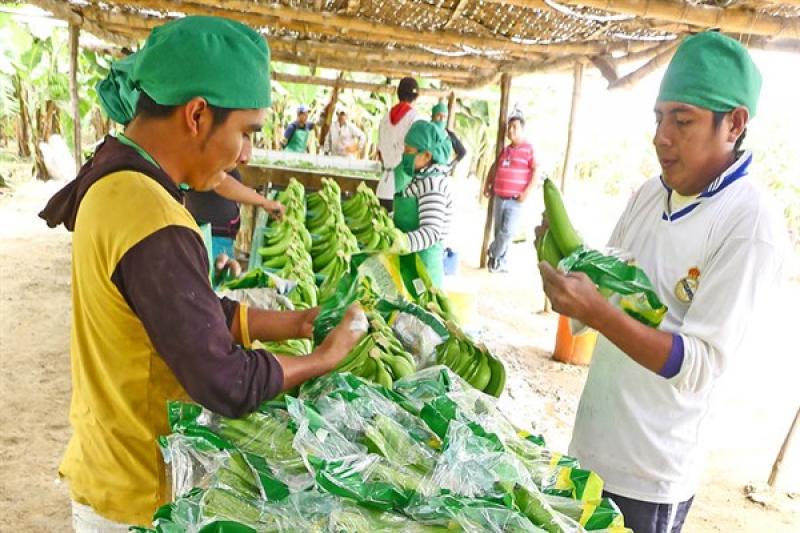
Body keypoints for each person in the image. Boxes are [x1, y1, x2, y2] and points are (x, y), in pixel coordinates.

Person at [39, 17, 365, 530]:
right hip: (139, 493)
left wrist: (295, 322)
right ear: (196, 114)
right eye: (246, 132)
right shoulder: (153, 218)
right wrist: (322, 359)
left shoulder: (115, 179)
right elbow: (224, 380)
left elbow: (190, 315)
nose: (247, 154)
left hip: (108, 459)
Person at [536, 32, 787, 533]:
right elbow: (605, 293)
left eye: (682, 120)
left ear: (734, 123)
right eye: (659, 118)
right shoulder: (651, 195)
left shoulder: (748, 223)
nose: (661, 137)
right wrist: (565, 278)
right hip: (589, 449)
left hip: (649, 479)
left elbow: (700, 364)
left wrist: (597, 312)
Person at [393, 120, 454, 291]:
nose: (404, 155)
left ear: (427, 155)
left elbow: (431, 232)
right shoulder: (421, 178)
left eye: (409, 151)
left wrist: (400, 242)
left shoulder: (433, 185)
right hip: (410, 262)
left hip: (423, 269)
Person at [185, 167, 285, 259]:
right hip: (209, 237)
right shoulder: (205, 163)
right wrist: (264, 202)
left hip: (220, 236)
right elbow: (219, 182)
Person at [483, 114, 537, 273]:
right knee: (499, 231)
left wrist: (527, 192)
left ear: (523, 130)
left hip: (515, 199)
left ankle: (493, 252)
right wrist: (487, 183)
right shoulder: (505, 150)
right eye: (509, 127)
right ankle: (499, 263)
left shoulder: (529, 149)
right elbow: (495, 167)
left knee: (508, 232)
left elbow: (536, 171)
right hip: (499, 197)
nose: (511, 130)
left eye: (515, 127)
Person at [376, 77, 421, 211]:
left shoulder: (385, 118)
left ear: (398, 93)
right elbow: (416, 151)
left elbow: (379, 152)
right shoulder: (415, 118)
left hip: (383, 186)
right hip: (403, 188)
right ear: (416, 96)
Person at [431, 102, 466, 173]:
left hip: (439, 174)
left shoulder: (449, 134)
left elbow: (462, 152)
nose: (441, 119)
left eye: (444, 117)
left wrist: (450, 166)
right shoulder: (425, 130)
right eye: (439, 115)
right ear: (432, 116)